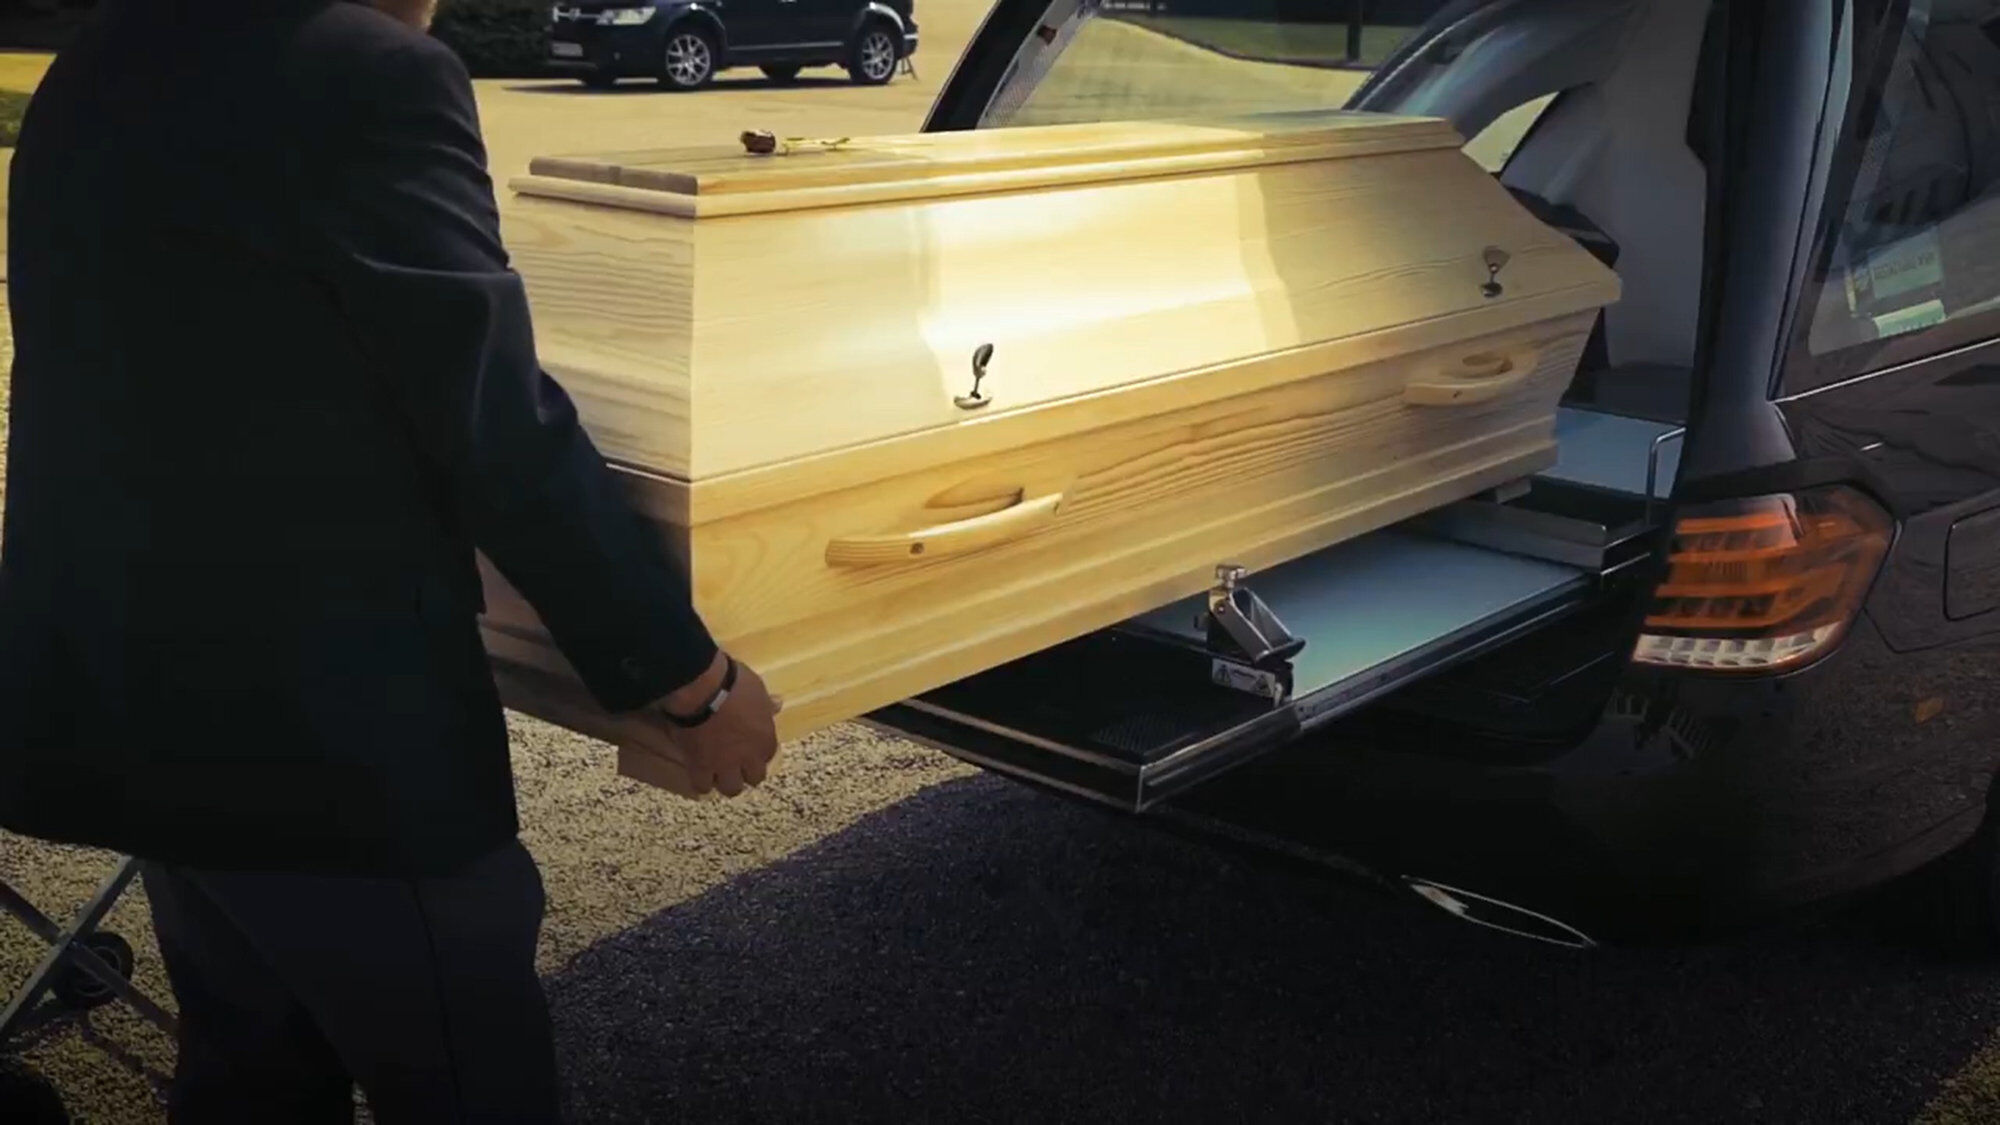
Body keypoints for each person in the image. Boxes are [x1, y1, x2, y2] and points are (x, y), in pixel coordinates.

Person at [0, 0, 781, 1119]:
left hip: (149, 715)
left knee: (250, 1074)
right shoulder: (366, 75)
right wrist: (690, 683)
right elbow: (493, 425)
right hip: (325, 748)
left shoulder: (105, 58)